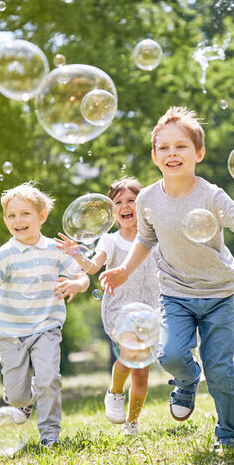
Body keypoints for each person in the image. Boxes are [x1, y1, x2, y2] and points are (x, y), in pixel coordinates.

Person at [99, 106, 234, 449]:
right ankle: (187, 380)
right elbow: (145, 239)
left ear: (198, 152)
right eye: (164, 147)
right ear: (155, 156)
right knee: (169, 355)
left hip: (217, 293)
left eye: (181, 146)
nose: (173, 153)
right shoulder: (147, 199)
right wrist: (124, 270)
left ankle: (230, 434)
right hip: (175, 294)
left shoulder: (211, 195)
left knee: (220, 371)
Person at [55, 177, 159, 435]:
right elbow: (92, 267)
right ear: (112, 211)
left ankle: (132, 422)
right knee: (130, 353)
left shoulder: (156, 236)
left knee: (142, 373)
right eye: (118, 202)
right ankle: (114, 392)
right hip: (120, 308)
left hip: (152, 309)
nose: (125, 207)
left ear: (142, 204)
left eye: (131, 201)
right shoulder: (109, 241)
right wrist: (77, 254)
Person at [0, 182, 90, 448]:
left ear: (41, 216)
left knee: (49, 379)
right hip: (11, 332)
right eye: (11, 215)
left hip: (46, 326)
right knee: (16, 395)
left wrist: (77, 284)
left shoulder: (55, 250)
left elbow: (82, 277)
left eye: (25, 214)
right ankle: (25, 402)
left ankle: (49, 434)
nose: (18, 220)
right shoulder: (4, 256)